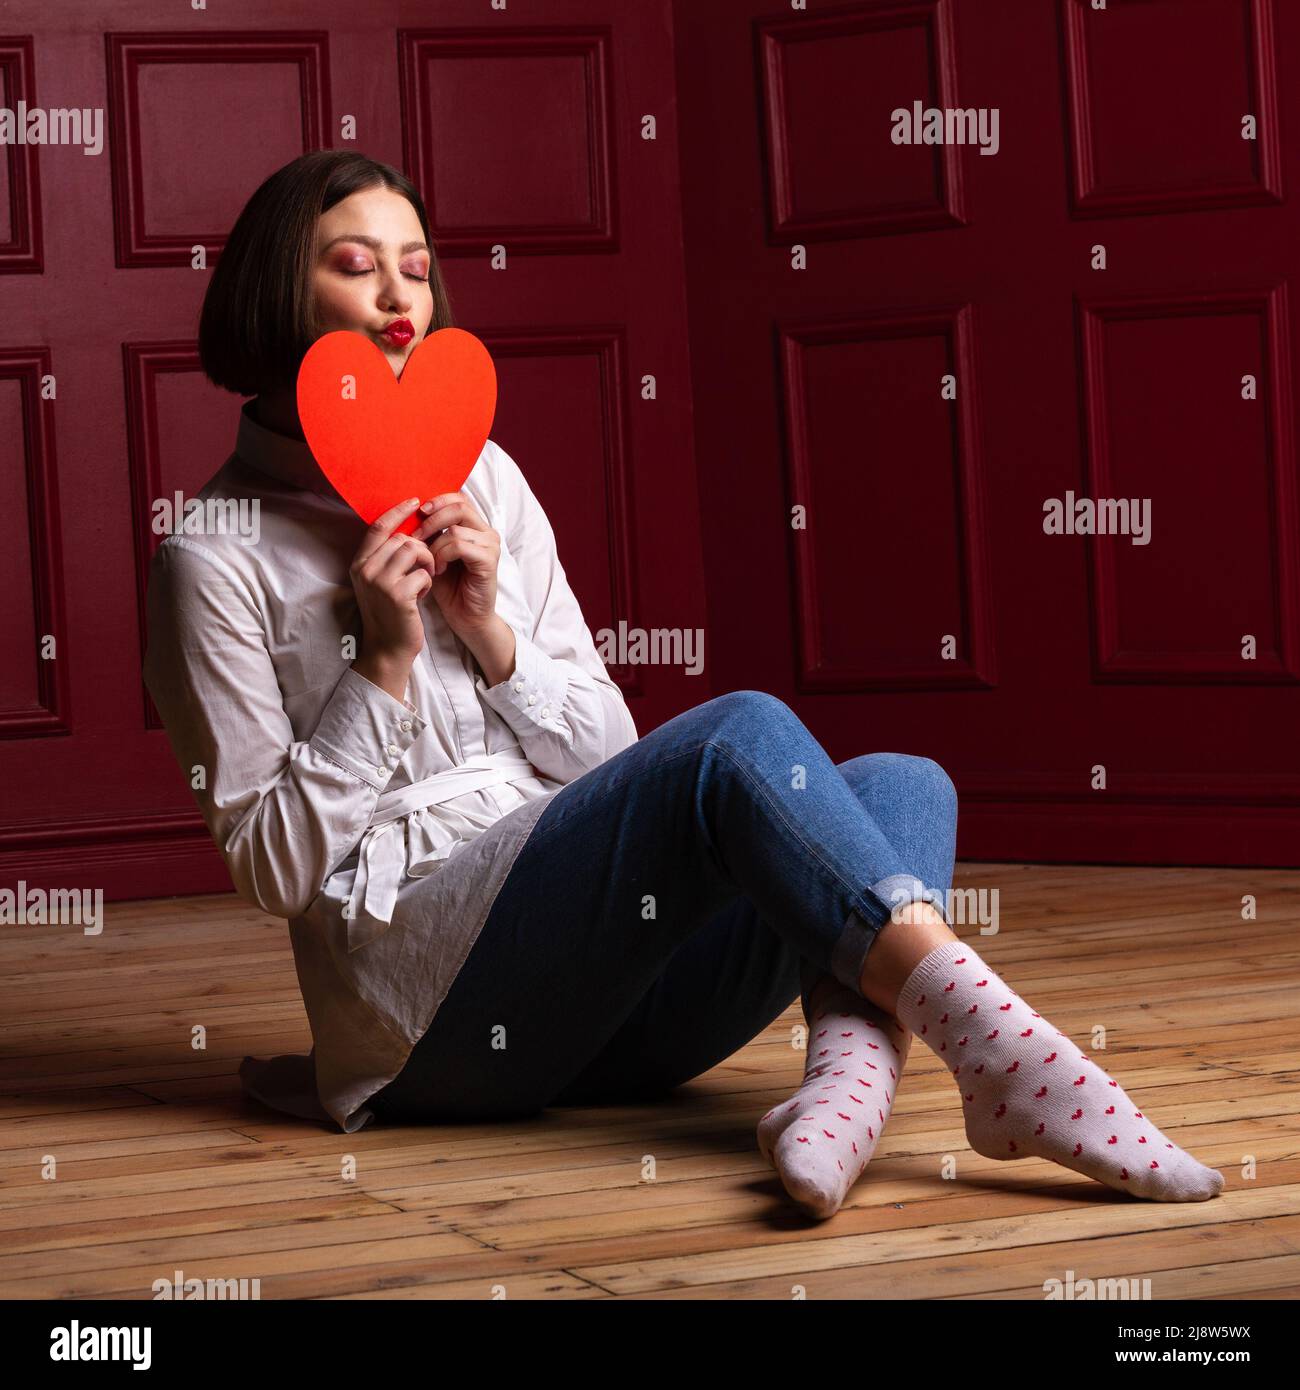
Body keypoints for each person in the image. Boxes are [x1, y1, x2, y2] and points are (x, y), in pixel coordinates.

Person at [144, 150, 1223, 1221]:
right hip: (438, 1033)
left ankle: (846, 1089)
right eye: (354, 263)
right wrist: (380, 667)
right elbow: (270, 869)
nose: (396, 296)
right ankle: (1010, 1056)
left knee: (904, 785)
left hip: (614, 1020)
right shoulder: (213, 553)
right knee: (734, 735)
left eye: (416, 268)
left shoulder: (487, 478)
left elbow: (613, 763)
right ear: (280, 287)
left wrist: (490, 634)